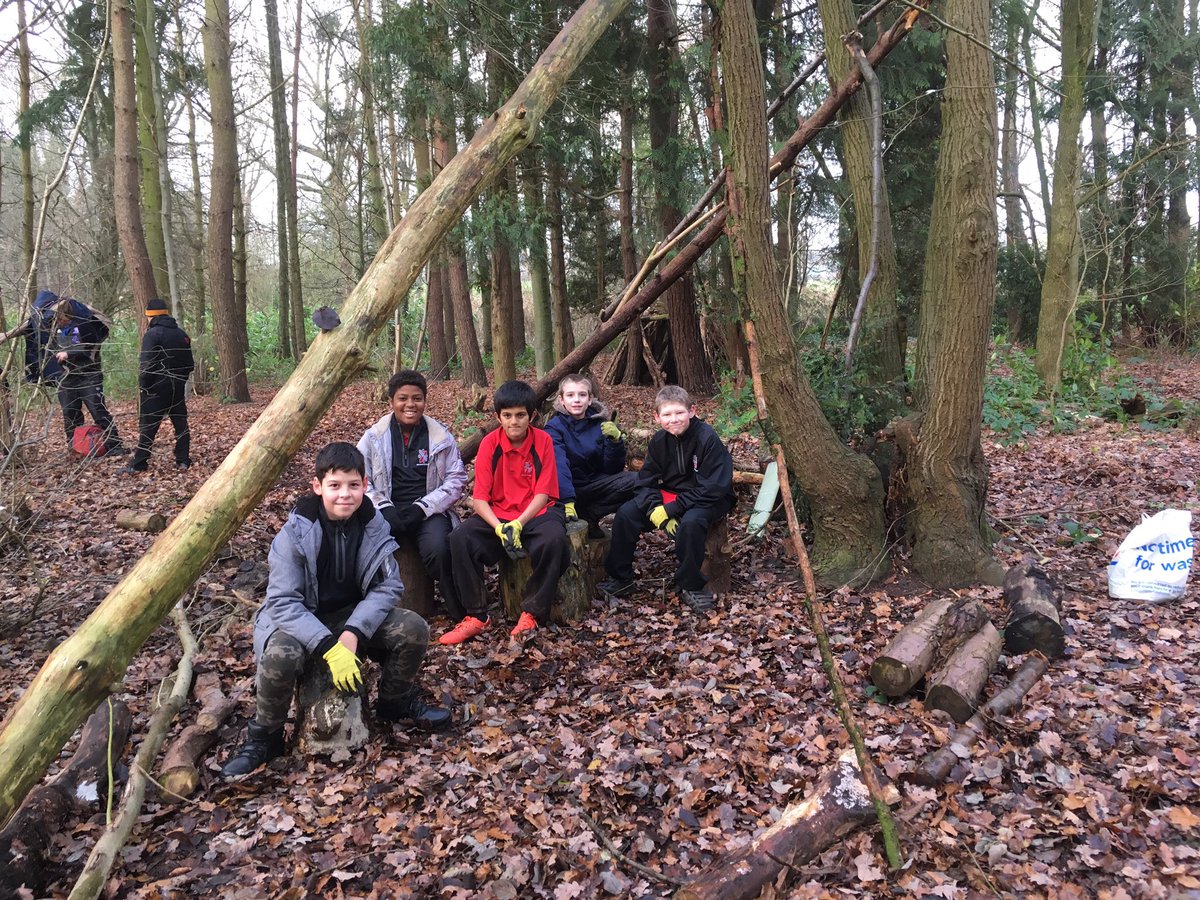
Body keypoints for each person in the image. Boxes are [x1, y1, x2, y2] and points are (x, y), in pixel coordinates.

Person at [222, 442, 451, 778]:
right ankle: (265, 736)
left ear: (365, 486)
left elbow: (388, 587)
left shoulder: (374, 524)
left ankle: (394, 702)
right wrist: (329, 647)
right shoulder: (294, 534)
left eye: (353, 485)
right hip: (301, 619)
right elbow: (283, 602)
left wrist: (354, 632)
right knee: (279, 655)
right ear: (318, 487)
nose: (345, 494)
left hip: (351, 615)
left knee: (414, 628)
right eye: (335, 486)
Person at [441, 380, 570, 644]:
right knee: (460, 538)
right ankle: (477, 615)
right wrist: (499, 526)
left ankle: (532, 612)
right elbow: (479, 499)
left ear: (531, 416)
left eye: (520, 415)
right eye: (507, 415)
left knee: (555, 540)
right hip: (497, 514)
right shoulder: (490, 444)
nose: (514, 422)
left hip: (536, 513)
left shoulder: (543, 440)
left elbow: (543, 494)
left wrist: (518, 524)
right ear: (499, 417)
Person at [598, 385, 735, 614]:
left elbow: (715, 486)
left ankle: (690, 585)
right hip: (672, 493)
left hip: (708, 498)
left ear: (692, 411)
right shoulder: (659, 441)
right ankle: (621, 577)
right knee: (626, 514)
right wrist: (656, 510)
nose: (674, 419)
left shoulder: (707, 438)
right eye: (667, 414)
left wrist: (672, 509)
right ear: (657, 417)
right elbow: (645, 481)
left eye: (679, 413)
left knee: (691, 523)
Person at [357, 370, 467, 618]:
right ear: (391, 402)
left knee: (439, 548)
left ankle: (459, 611)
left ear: (425, 401)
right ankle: (370, 610)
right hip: (385, 511)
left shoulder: (440, 436)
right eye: (402, 398)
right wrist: (383, 507)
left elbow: (456, 479)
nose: (410, 404)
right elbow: (360, 480)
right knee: (366, 548)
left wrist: (422, 508)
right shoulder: (374, 437)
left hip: (428, 510)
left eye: (417, 398)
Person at [544, 373, 638, 536]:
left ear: (590, 399)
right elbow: (559, 465)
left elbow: (612, 469)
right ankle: (577, 512)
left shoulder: (599, 423)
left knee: (638, 480)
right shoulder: (554, 428)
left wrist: (615, 442)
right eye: (570, 395)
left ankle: (591, 515)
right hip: (569, 489)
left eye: (582, 395)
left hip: (595, 484)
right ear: (561, 400)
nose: (577, 400)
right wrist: (567, 500)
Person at [121, 299, 194, 474]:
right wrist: (179, 381)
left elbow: (146, 365)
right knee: (180, 423)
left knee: (149, 425)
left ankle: (139, 463)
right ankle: (183, 459)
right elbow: (189, 364)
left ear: (151, 317)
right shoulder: (181, 334)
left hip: (155, 388)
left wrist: (144, 386)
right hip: (177, 387)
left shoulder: (152, 335)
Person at [50, 295, 126, 454]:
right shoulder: (53, 330)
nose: (58, 319)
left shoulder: (84, 325)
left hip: (89, 375)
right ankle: (75, 446)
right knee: (70, 413)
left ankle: (114, 444)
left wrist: (68, 354)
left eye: (60, 316)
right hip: (66, 378)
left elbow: (86, 345)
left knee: (97, 409)